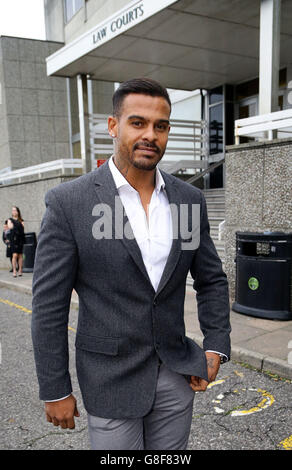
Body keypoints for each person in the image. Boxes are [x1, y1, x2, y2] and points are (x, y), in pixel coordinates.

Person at [31, 78, 231, 450]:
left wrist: (216, 345)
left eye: (161, 125)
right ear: (114, 126)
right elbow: (48, 307)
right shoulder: (69, 202)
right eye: (138, 123)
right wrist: (55, 388)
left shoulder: (188, 200)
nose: (150, 135)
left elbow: (212, 280)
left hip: (176, 372)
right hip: (110, 379)